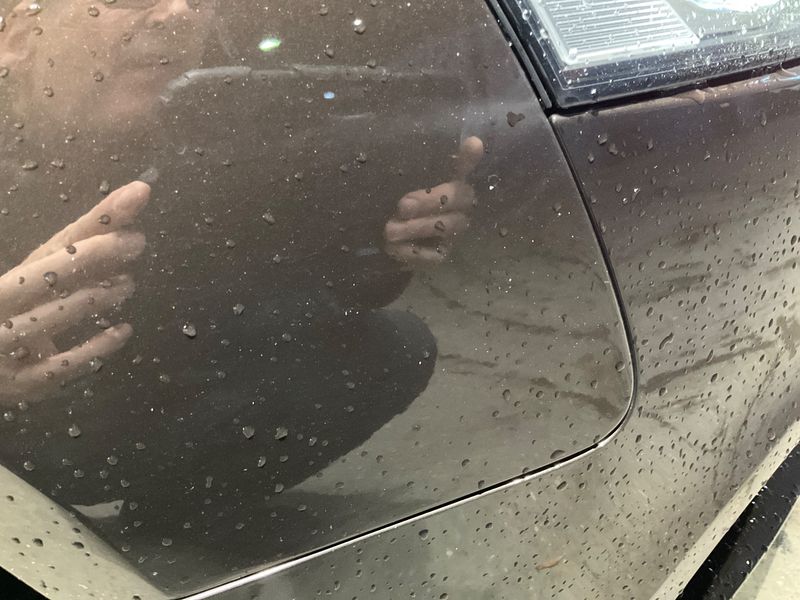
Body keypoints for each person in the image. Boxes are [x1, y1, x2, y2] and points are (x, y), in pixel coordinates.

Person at [0, 0, 482, 590]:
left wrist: (384, 248)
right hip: (19, 449)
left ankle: (173, 523)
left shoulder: (215, 128)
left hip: (142, 385)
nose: (178, 12)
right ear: (17, 34)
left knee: (395, 348)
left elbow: (275, 287)